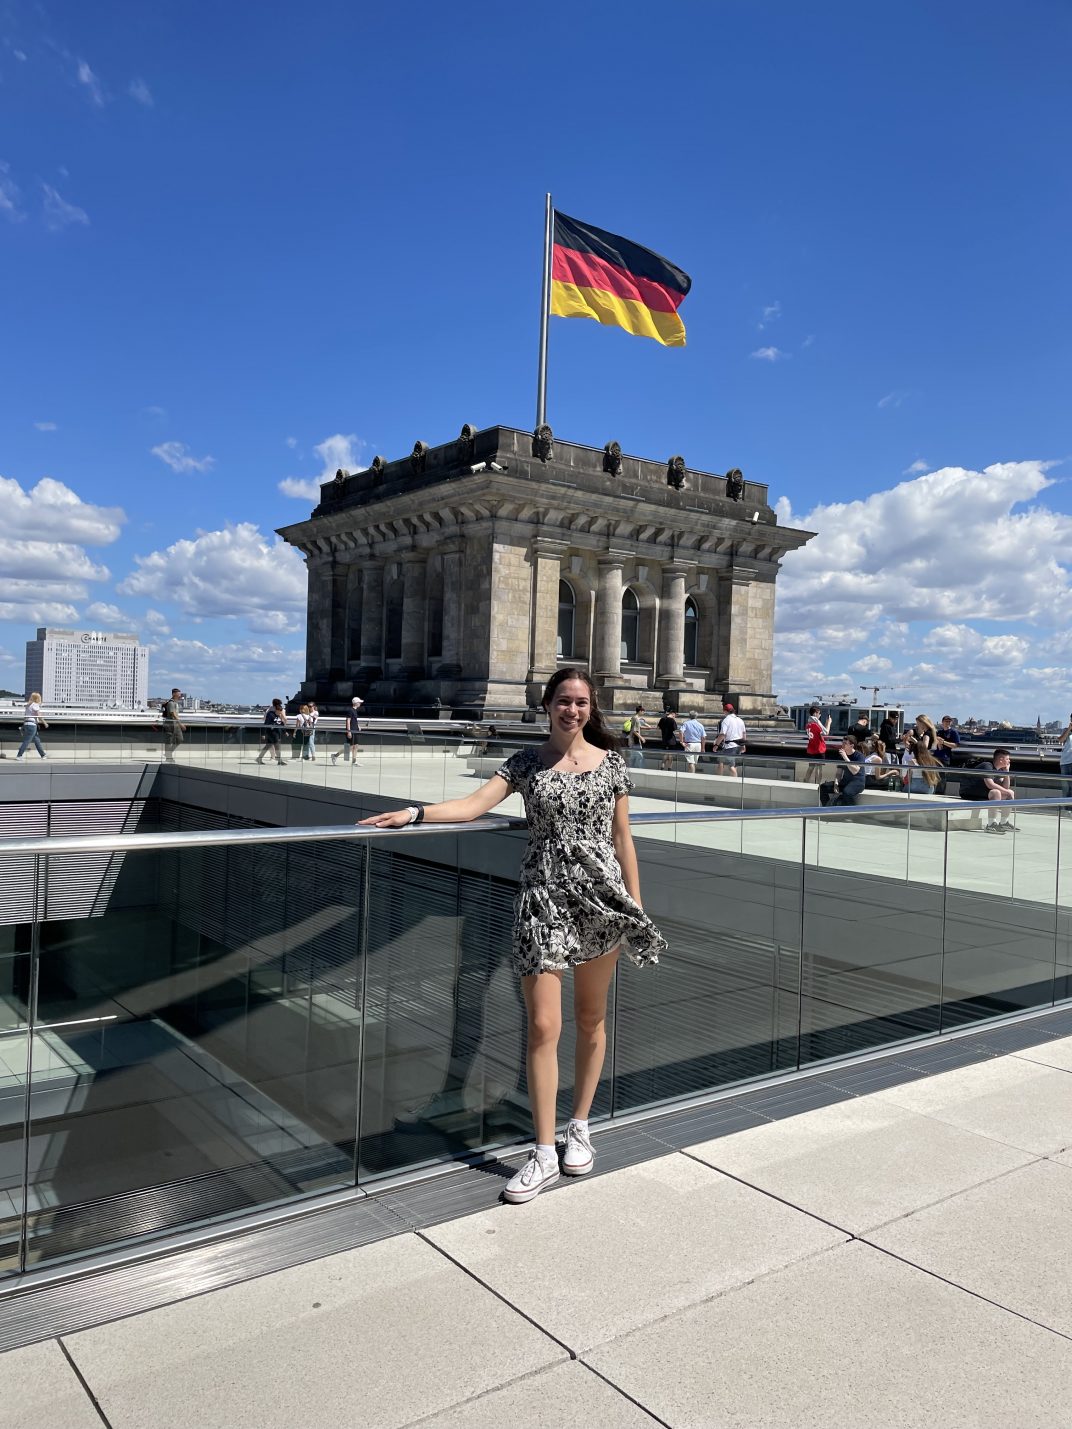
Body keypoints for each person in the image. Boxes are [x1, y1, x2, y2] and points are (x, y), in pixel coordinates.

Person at [360, 667, 665, 1204]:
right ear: (546, 705)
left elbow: (624, 841)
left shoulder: (612, 765)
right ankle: (544, 1150)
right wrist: (414, 813)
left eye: (581, 702)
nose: (572, 710)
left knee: (591, 1019)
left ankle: (580, 1126)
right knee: (544, 1025)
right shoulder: (526, 762)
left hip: (601, 900)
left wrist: (635, 909)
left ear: (591, 709)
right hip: (543, 898)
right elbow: (473, 806)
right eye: (563, 701)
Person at [958, 748, 1017, 832]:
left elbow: (1005, 788)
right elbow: (990, 785)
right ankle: (991, 824)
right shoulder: (987, 766)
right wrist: (1006, 791)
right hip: (969, 792)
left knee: (1010, 792)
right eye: (1007, 759)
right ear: (1001, 759)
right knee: (996, 792)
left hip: (982, 793)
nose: (1009, 761)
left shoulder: (999, 770)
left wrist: (1007, 772)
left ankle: (1004, 822)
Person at [819, 734, 866, 806]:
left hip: (858, 783)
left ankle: (853, 811)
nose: (842, 744)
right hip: (845, 782)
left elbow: (855, 771)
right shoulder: (842, 756)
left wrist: (845, 757)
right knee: (822, 787)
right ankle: (827, 808)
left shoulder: (859, 756)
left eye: (845, 743)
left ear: (852, 745)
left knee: (847, 792)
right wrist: (836, 784)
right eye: (842, 742)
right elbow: (839, 773)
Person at [713, 702, 746, 776]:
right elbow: (744, 733)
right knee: (734, 765)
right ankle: (733, 781)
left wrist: (716, 745)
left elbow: (722, 734)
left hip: (730, 746)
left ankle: (736, 783)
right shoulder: (740, 720)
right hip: (739, 745)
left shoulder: (726, 720)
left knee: (730, 766)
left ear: (725, 711)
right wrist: (743, 745)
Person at [16, 692, 47, 760]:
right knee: (27, 741)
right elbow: (39, 715)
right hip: (32, 725)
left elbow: (25, 717)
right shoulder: (35, 705)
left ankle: (43, 755)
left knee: (37, 740)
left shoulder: (28, 705)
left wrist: (23, 726)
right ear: (37, 698)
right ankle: (19, 755)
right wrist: (45, 723)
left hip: (27, 724)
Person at [803, 705, 830, 783]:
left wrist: (824, 724)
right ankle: (818, 784)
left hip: (811, 749)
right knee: (819, 768)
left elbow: (820, 732)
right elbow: (826, 732)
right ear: (815, 713)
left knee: (811, 767)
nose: (820, 715)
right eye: (819, 713)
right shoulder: (815, 724)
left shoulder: (808, 725)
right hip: (819, 749)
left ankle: (806, 781)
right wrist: (829, 723)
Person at [256, 698, 287, 765]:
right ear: (276, 709)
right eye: (279, 711)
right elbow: (266, 723)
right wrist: (263, 734)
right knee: (277, 746)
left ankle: (259, 758)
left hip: (276, 732)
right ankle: (279, 761)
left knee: (268, 746)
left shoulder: (278, 714)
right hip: (271, 733)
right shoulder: (270, 714)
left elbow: (281, 723)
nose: (280, 713)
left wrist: (285, 731)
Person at [333, 697, 363, 764]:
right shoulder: (350, 710)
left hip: (355, 730)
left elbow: (354, 720)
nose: (360, 703)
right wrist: (349, 731)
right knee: (349, 748)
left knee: (356, 746)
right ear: (355, 703)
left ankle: (354, 761)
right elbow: (348, 721)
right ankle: (335, 756)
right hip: (351, 731)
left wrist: (358, 726)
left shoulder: (355, 711)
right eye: (359, 702)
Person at [161, 688, 185, 763]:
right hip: (170, 725)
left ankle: (168, 753)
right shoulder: (171, 703)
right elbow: (173, 714)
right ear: (174, 694)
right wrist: (180, 723)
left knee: (180, 739)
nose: (180, 695)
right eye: (179, 694)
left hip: (175, 725)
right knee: (169, 741)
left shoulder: (176, 703)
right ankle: (169, 757)